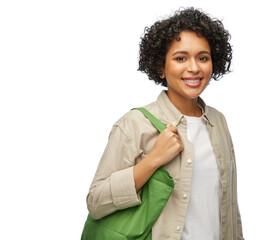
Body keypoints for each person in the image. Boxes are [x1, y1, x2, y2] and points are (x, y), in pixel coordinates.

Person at [86, 7, 244, 240]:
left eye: (203, 58)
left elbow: (229, 203)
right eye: (181, 58)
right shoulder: (134, 124)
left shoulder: (218, 121)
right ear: (161, 66)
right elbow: (96, 202)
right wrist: (152, 161)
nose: (194, 67)